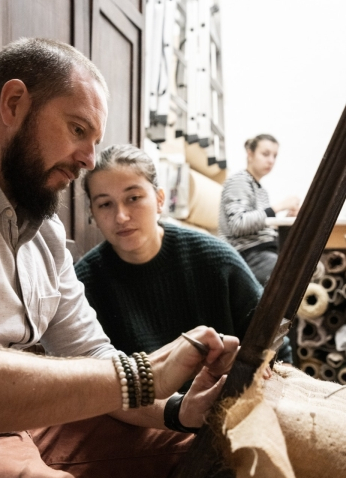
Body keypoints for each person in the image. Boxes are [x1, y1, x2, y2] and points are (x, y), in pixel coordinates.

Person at [0, 38, 314, 478]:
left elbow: (93, 354)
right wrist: (144, 375)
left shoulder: (44, 230)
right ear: (14, 103)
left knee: (227, 450)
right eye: (77, 129)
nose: (89, 159)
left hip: (26, 427)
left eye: (94, 140)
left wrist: (177, 409)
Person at [74, 143, 292, 364]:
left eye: (133, 198)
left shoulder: (216, 261)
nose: (121, 216)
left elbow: (275, 346)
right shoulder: (82, 283)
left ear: (159, 200)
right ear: (92, 212)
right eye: (105, 204)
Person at [218, 134, 300, 286]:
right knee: (292, 273)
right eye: (265, 154)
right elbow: (238, 224)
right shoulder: (239, 181)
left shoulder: (260, 189)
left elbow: (260, 222)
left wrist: (286, 217)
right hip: (247, 254)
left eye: (275, 156)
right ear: (250, 154)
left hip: (262, 252)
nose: (271, 160)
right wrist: (279, 207)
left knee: (309, 265)